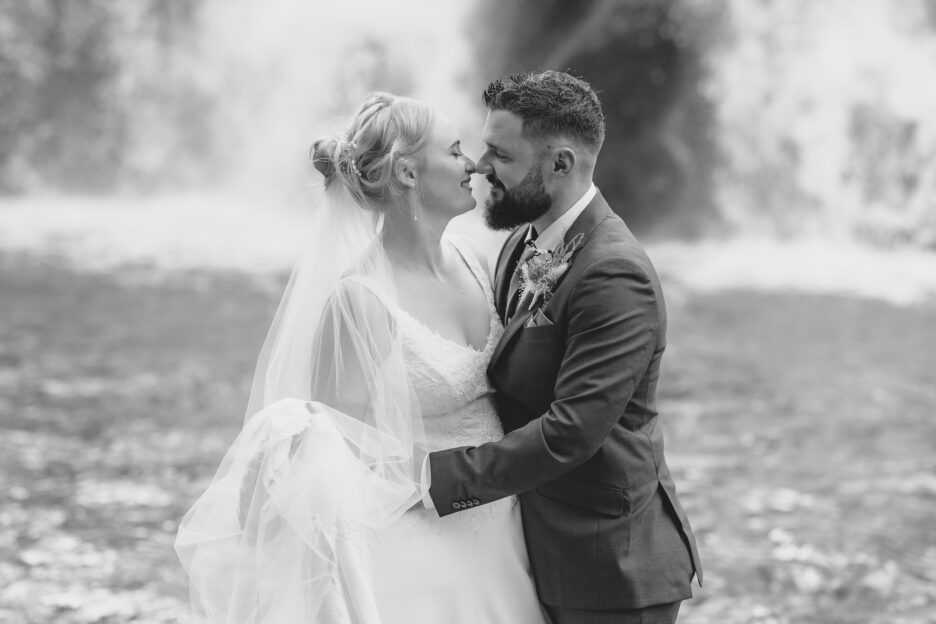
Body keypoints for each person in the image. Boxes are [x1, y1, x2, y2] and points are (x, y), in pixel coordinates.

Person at [175, 92, 547, 624]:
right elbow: (332, 456)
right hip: (428, 541)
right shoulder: (360, 302)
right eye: (456, 151)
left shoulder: (476, 257)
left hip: (508, 520)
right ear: (409, 174)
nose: (473, 165)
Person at [425, 71, 703, 624]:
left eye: (501, 155)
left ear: (560, 164)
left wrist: (429, 478)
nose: (480, 167)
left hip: (608, 567)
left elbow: (570, 430)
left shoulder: (615, 272)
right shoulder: (518, 245)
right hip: (533, 544)